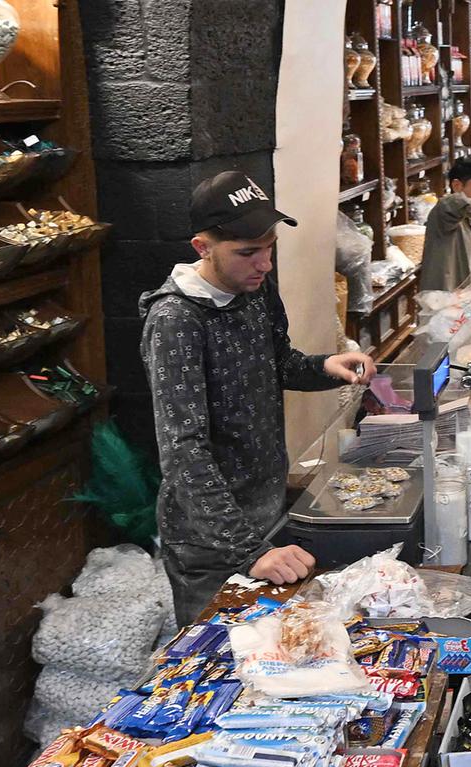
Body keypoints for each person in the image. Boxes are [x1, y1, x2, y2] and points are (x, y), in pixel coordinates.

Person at [141, 171, 376, 623]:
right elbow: (183, 452)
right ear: (202, 247)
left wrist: (325, 367)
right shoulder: (176, 320)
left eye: (269, 248)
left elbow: (278, 362)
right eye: (247, 253)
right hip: (209, 542)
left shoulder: (255, 288)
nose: (264, 264)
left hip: (266, 516)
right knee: (215, 669)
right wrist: (248, 551)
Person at [416, 156, 471, 292]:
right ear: (456, 186)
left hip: (460, 299)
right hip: (440, 300)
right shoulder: (444, 210)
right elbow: (460, 203)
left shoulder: (466, 218)